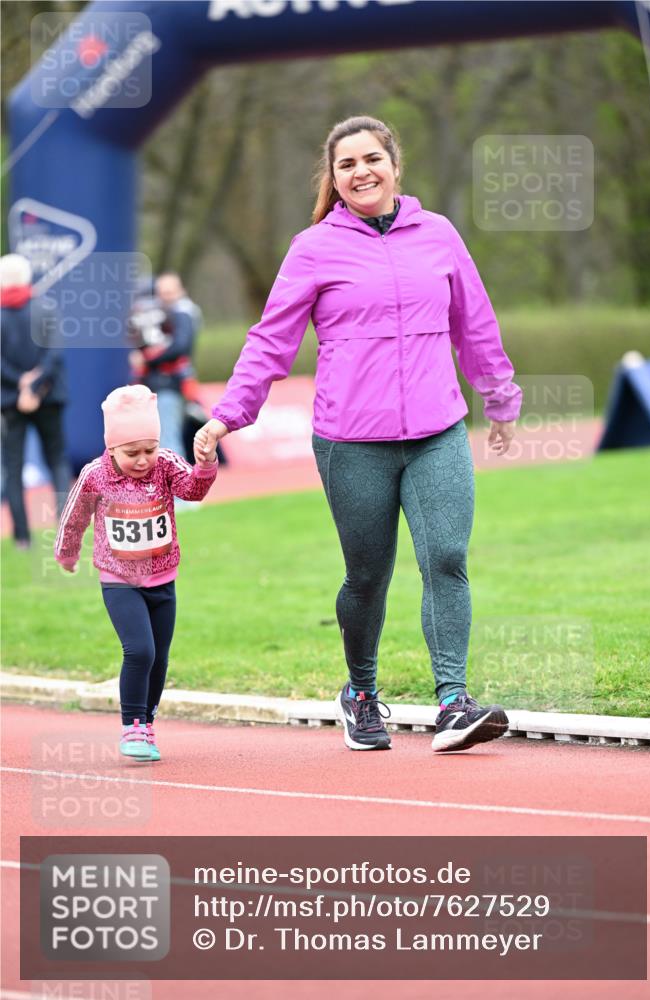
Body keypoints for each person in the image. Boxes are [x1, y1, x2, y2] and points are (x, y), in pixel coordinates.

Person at [195, 116, 522, 754]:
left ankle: (454, 703)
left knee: (447, 559)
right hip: (351, 441)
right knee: (367, 575)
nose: (361, 171)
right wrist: (229, 413)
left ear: (395, 165)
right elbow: (271, 340)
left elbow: (474, 321)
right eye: (347, 165)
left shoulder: (439, 234)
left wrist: (500, 397)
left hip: (437, 430)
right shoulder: (313, 247)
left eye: (372, 158)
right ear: (335, 178)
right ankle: (362, 693)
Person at [55, 384, 218, 761]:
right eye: (132, 453)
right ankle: (132, 726)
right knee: (139, 650)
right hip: (119, 580)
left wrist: (206, 465)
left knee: (160, 657)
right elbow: (74, 517)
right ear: (111, 447)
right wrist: (66, 553)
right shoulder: (95, 475)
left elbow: (193, 491)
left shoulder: (166, 464)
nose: (143, 459)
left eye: (149, 449)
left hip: (163, 578)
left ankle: (147, 721)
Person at [1, 253, 70, 549]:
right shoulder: (46, 308)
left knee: (13, 467)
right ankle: (66, 530)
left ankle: (22, 538)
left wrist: (21, 386)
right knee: (56, 460)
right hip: (49, 397)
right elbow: (54, 355)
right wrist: (36, 385)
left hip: (9, 400)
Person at [130, 272, 202, 458]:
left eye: (170, 292)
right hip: (154, 384)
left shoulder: (183, 312)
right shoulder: (157, 314)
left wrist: (148, 359)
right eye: (162, 292)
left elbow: (181, 347)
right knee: (162, 439)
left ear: (181, 291)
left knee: (169, 440)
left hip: (171, 384)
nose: (166, 296)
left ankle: (180, 484)